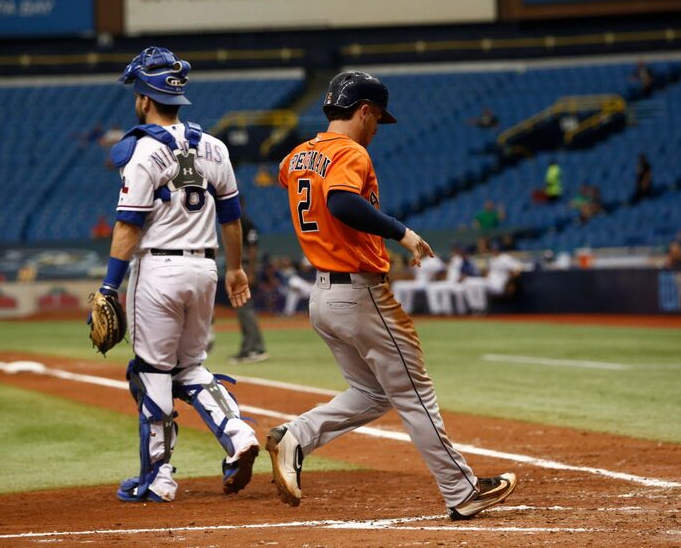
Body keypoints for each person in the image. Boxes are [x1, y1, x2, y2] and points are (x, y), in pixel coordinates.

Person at [270, 71, 517, 520]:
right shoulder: (350, 151)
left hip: (323, 296)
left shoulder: (300, 154)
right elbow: (342, 202)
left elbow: (287, 175)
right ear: (364, 110)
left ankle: (297, 436)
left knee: (372, 393)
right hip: (360, 296)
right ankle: (462, 492)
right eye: (378, 118)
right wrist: (402, 232)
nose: (378, 128)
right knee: (415, 393)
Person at [100, 47, 259, 503]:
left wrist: (110, 285)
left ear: (144, 98)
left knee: (150, 371)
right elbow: (232, 217)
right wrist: (236, 270)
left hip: (158, 268)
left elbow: (129, 223)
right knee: (190, 367)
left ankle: (159, 477)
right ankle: (237, 433)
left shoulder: (145, 151)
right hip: (205, 267)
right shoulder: (214, 146)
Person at [229, 197, 269, 363]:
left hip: (245, 267)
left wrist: (251, 272)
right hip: (240, 267)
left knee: (246, 310)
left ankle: (256, 348)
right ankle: (247, 347)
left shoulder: (245, 222)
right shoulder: (235, 221)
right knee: (242, 310)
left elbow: (253, 248)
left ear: (242, 205)